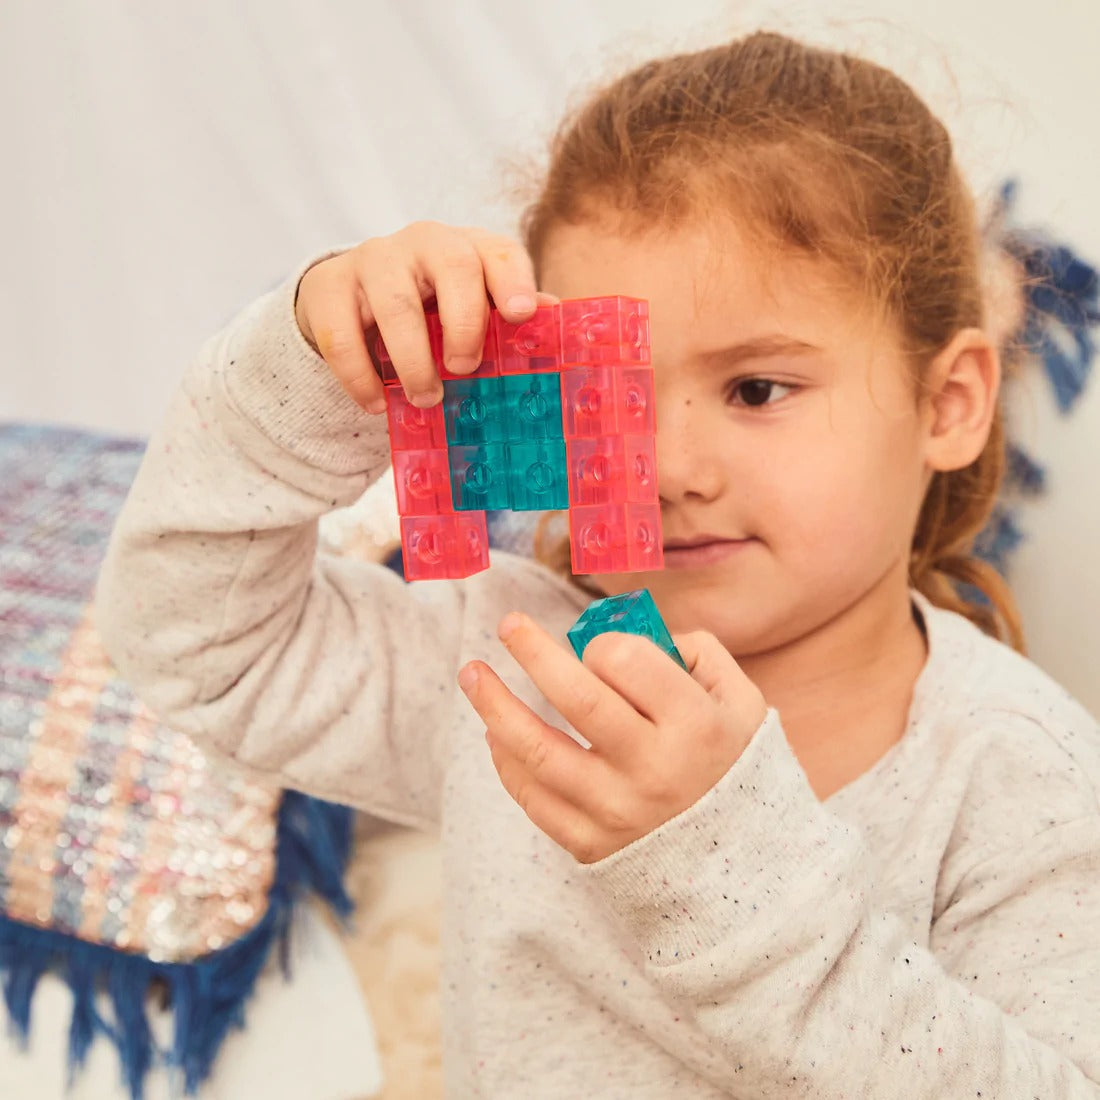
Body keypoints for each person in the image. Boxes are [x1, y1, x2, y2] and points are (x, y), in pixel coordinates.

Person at [97, 30, 1100, 1097]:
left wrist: (715, 859)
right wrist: (308, 366)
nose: (667, 466)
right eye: (603, 395)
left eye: (756, 389)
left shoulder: (1015, 771)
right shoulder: (511, 668)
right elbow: (196, 642)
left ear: (946, 403)